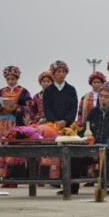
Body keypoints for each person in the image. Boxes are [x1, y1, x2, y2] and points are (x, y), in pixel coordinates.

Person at [43, 60, 79, 195]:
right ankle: (59, 183)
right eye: (59, 72)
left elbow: (74, 108)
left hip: (69, 128)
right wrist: (55, 121)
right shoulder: (48, 91)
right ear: (53, 74)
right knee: (55, 157)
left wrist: (66, 121)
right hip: (52, 127)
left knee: (70, 156)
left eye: (64, 72)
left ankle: (73, 186)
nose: (62, 74)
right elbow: (46, 108)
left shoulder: (71, 89)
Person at [0, 65, 33, 186]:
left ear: (17, 78)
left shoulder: (24, 91)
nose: (11, 81)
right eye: (8, 79)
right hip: (3, 122)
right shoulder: (0, 91)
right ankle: (4, 177)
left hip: (16, 122)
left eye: (13, 78)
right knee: (2, 149)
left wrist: (17, 107)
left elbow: (30, 107)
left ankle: (15, 177)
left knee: (14, 149)